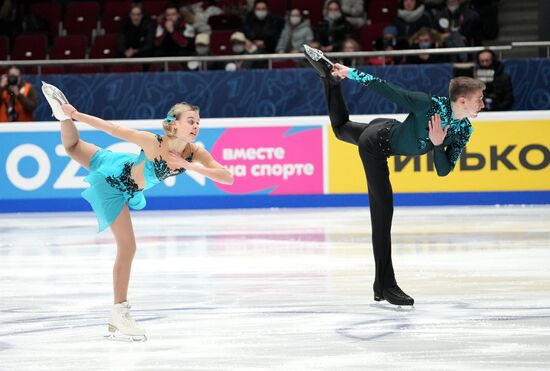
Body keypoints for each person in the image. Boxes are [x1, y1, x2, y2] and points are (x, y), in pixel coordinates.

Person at [40, 82, 234, 341]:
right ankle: (120, 312)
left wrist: (191, 167)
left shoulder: (194, 152)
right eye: (191, 121)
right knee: (128, 247)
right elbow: (113, 129)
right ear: (174, 124)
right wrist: (76, 115)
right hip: (114, 184)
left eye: (198, 122)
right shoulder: (153, 142)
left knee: (73, 147)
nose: (196, 126)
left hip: (121, 171)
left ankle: (60, 117)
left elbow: (227, 177)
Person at [303, 45, 485, 306]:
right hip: (376, 143)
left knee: (341, 129)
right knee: (382, 213)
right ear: (463, 100)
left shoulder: (463, 130)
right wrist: (350, 73)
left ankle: (326, 80)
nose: (483, 103)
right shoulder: (427, 105)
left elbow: (443, 171)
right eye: (479, 98)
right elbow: (388, 89)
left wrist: (437, 144)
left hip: (388, 129)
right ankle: (387, 285)